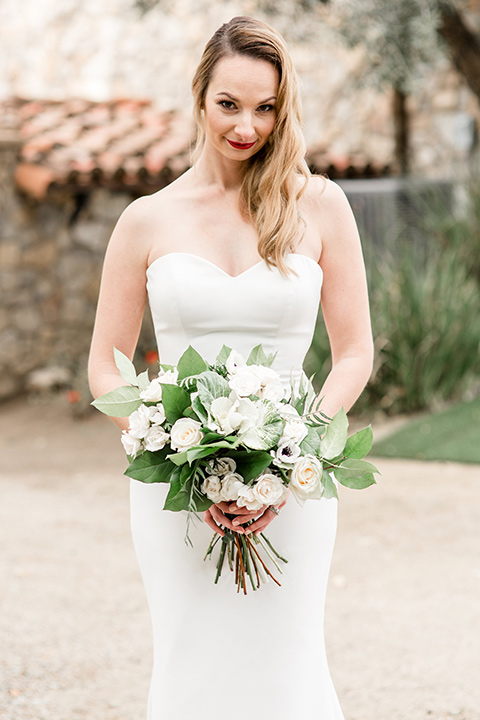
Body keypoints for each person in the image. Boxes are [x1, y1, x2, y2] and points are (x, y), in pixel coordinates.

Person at [88, 15, 373, 720]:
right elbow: (105, 365)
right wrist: (172, 450)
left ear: (284, 108)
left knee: (288, 659)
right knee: (190, 660)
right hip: (177, 488)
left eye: (266, 107)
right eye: (230, 104)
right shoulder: (146, 221)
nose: (247, 125)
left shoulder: (321, 206)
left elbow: (356, 351)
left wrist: (290, 455)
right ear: (199, 97)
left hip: (295, 484)